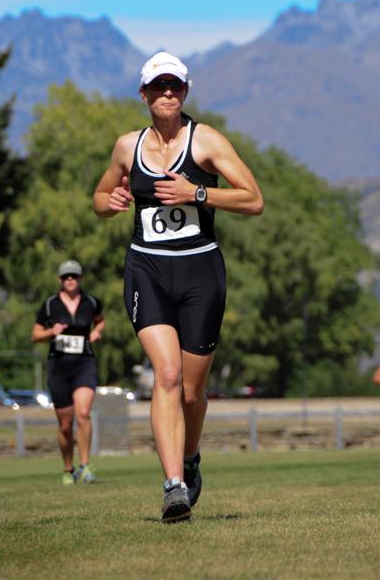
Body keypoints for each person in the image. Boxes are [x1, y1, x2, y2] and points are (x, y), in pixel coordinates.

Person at [93, 51, 264, 522]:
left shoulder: (205, 140)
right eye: (158, 86)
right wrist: (112, 201)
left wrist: (198, 193)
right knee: (164, 376)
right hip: (146, 270)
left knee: (191, 392)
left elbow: (254, 200)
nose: (167, 93)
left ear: (185, 92)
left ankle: (190, 460)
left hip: (200, 274)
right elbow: (100, 197)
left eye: (176, 86)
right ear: (144, 93)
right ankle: (173, 487)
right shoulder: (127, 147)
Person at [31, 260, 105, 484]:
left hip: (84, 362)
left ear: (80, 278)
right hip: (59, 365)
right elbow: (35, 335)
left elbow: (100, 322)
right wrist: (51, 332)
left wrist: (96, 333)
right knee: (65, 424)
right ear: (60, 280)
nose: (70, 279)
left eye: (74, 276)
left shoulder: (91, 302)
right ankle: (68, 468)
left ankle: (85, 466)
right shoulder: (50, 304)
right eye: (66, 277)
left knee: (83, 414)